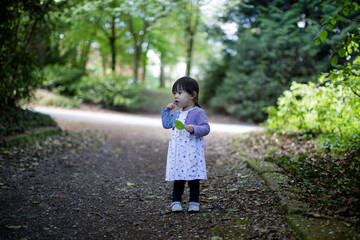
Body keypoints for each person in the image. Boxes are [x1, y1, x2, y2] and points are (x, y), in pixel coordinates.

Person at [161, 76, 210, 212]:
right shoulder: (176, 114)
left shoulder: (198, 112)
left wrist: (195, 129)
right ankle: (176, 201)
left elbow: (206, 128)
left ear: (193, 95)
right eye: (174, 93)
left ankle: (194, 202)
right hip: (178, 152)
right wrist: (166, 111)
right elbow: (166, 124)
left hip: (192, 151)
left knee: (193, 177)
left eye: (180, 93)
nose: (176, 96)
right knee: (179, 177)